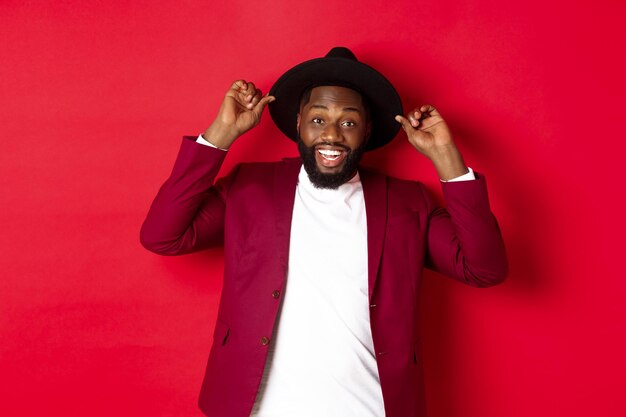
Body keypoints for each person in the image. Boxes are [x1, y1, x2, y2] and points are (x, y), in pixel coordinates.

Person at [140, 47, 507, 417]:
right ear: (299, 122)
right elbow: (163, 235)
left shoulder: (407, 203)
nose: (331, 134)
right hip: (259, 409)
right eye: (318, 119)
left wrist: (447, 158)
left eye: (348, 122)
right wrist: (220, 133)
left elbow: (484, 268)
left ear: (367, 129)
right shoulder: (250, 188)